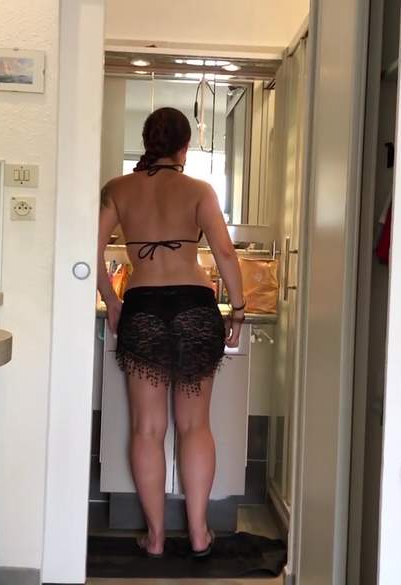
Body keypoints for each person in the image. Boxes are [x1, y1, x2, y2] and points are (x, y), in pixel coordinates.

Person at [97, 107, 245, 558]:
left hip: (142, 307)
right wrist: (238, 311)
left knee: (147, 429)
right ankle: (199, 534)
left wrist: (112, 300)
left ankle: (156, 538)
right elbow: (224, 252)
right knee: (194, 425)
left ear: (147, 141)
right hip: (195, 308)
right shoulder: (199, 190)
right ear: (184, 146)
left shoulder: (117, 189)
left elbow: (89, 248)